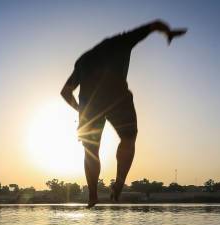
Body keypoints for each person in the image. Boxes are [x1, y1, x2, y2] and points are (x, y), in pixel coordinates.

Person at [61, 19, 187, 208]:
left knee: (91, 151)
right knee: (128, 138)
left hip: (90, 107)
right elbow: (155, 25)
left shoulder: (83, 60)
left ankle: (93, 195)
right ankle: (119, 184)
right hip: (117, 99)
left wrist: (80, 109)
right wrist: (167, 32)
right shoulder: (122, 41)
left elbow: (65, 92)